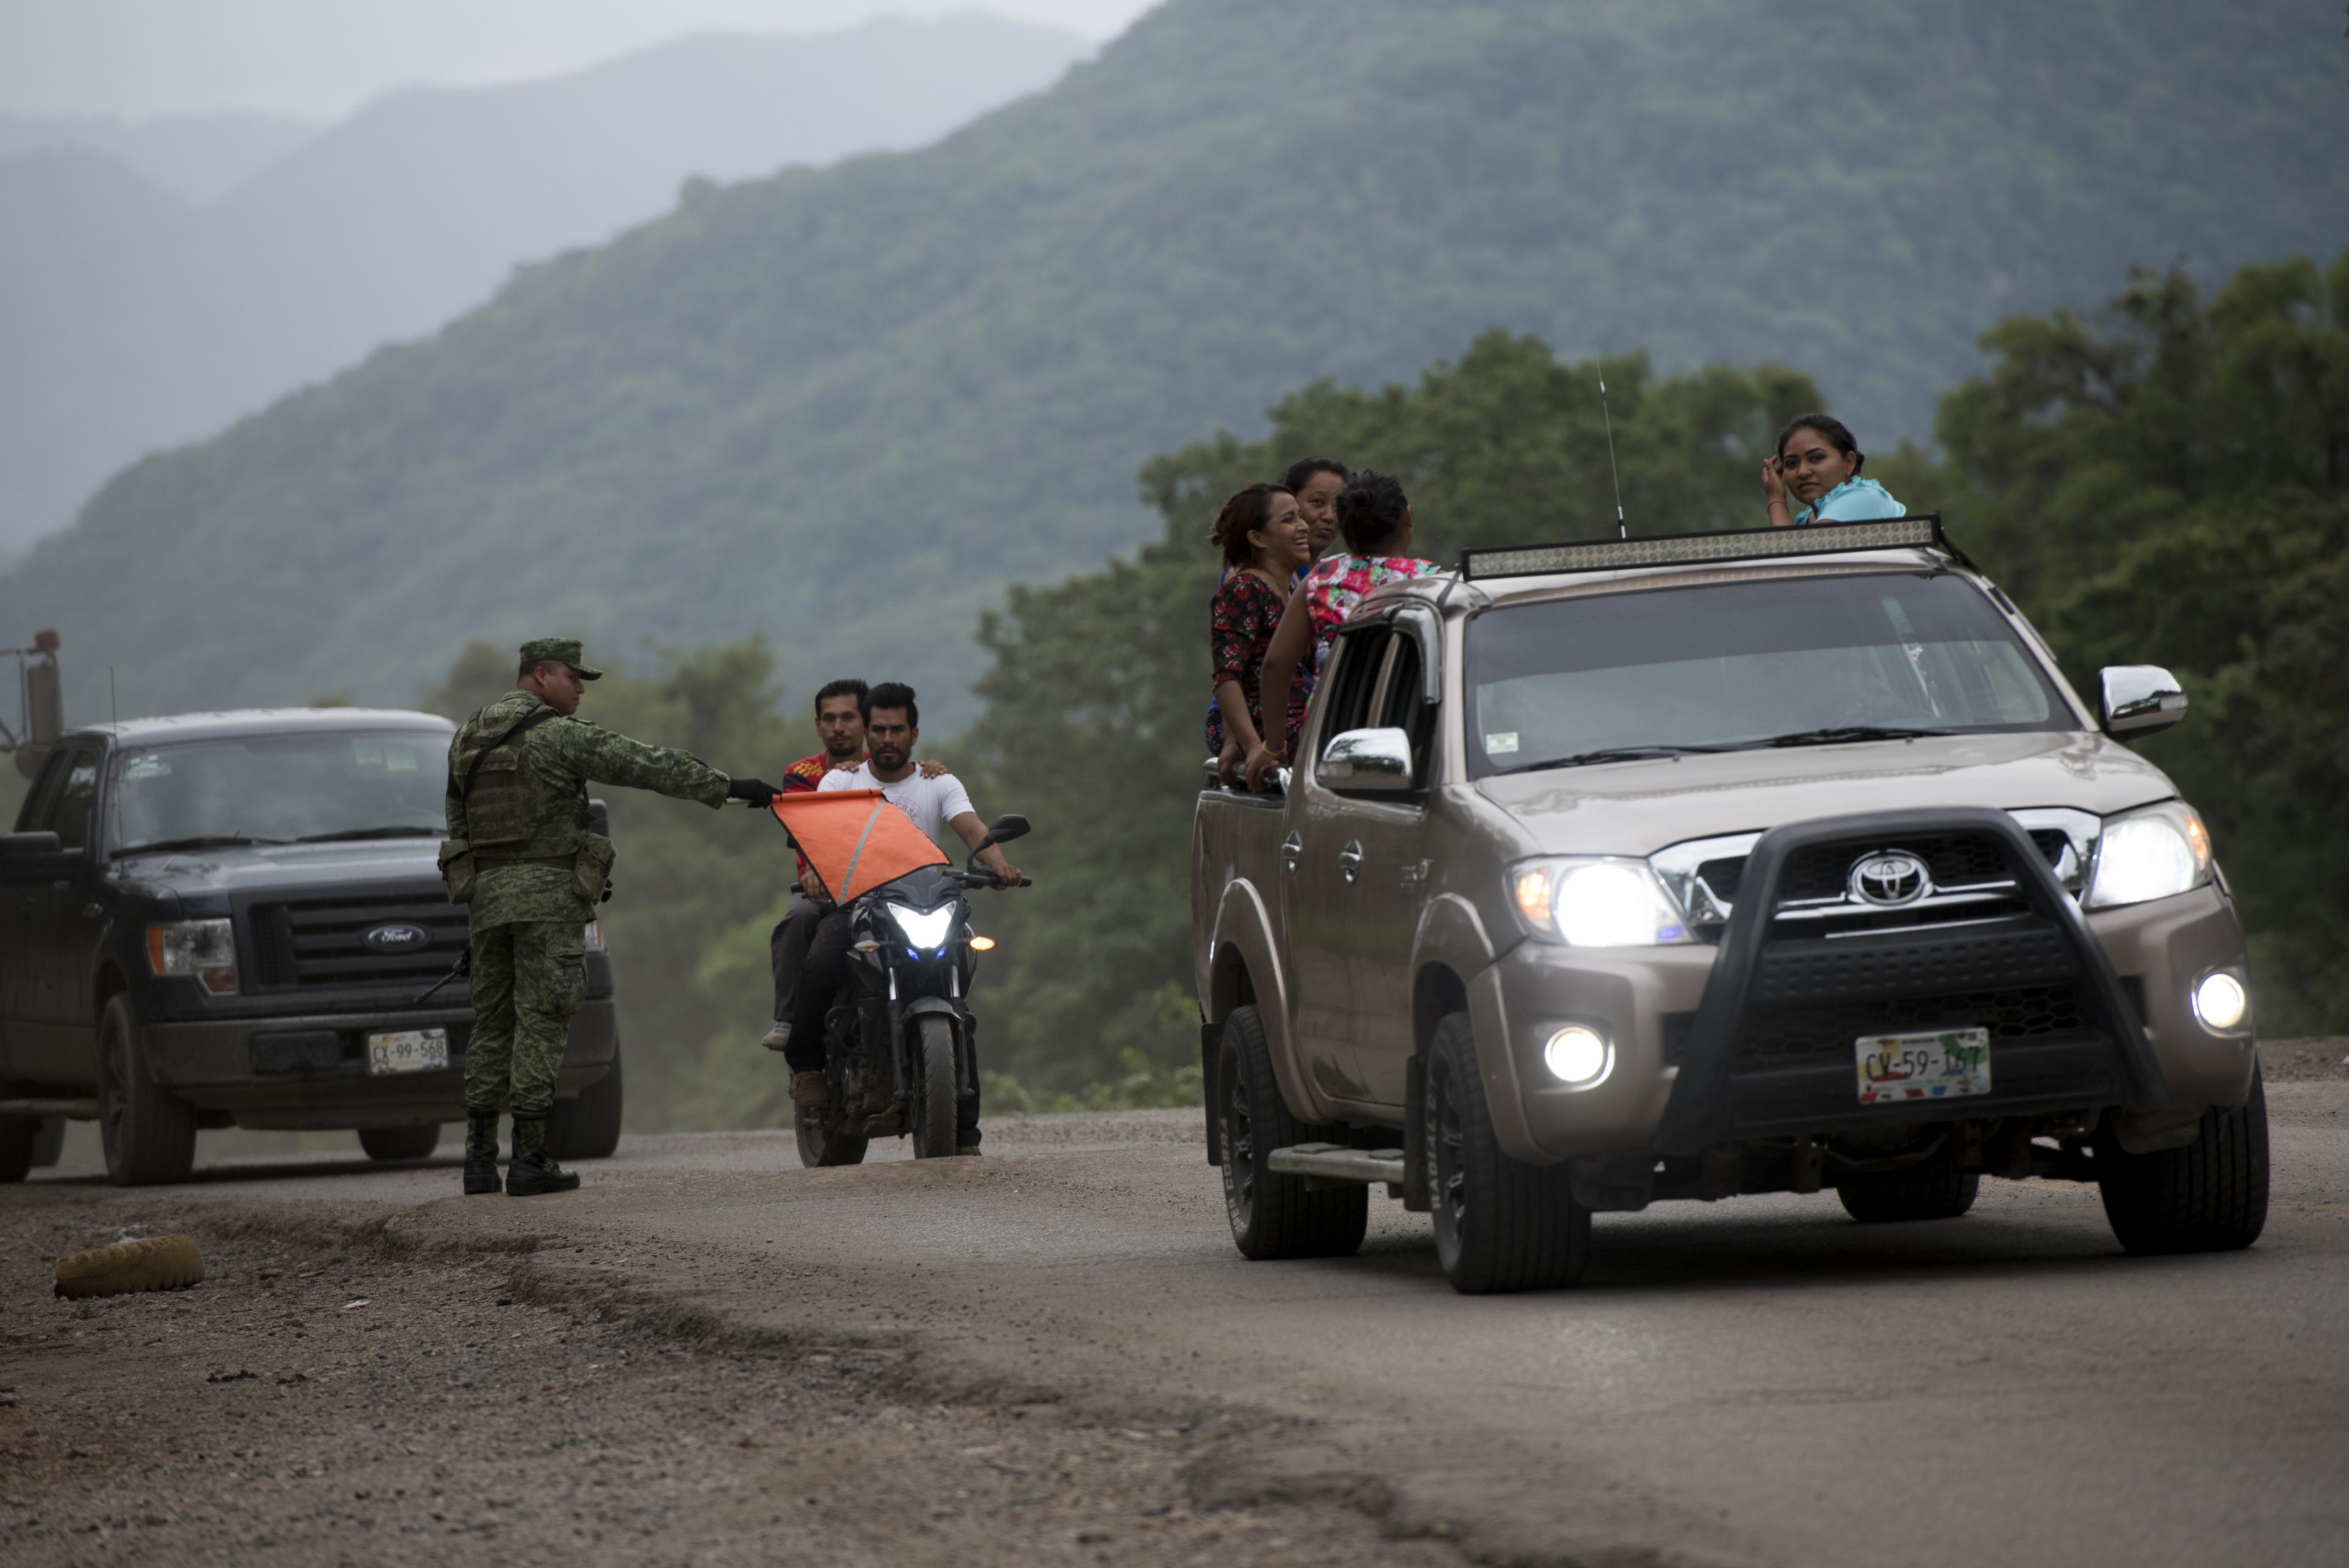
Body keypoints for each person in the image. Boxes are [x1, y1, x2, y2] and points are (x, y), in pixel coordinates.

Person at [444, 637, 777, 1197]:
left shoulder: (467, 735)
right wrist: (730, 789)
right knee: (542, 1023)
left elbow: (457, 821)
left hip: (488, 902)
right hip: (548, 900)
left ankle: (478, 1161)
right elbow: (646, 763)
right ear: (541, 675)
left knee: (492, 1026)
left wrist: (481, 896)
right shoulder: (558, 736)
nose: (580, 688)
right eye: (574, 677)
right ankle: (529, 1159)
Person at [789, 682, 1021, 1154]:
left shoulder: (939, 782)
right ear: (866, 733)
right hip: (860, 905)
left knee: (958, 1003)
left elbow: (973, 828)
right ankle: (809, 1066)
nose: (887, 737)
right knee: (820, 959)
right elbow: (819, 837)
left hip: (927, 902)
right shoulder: (841, 782)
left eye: (898, 729)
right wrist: (815, 871)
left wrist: (998, 864)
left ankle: (965, 1135)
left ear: (915, 733)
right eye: (878, 729)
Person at [761, 678, 948, 1054]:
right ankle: (790, 1019)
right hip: (825, 884)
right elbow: (806, 830)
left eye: (848, 717)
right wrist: (815, 871)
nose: (838, 727)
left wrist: (929, 770)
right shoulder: (805, 774)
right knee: (798, 918)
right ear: (817, 725)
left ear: (865, 724)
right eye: (828, 719)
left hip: (893, 889)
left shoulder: (882, 762)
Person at [1245, 470, 1441, 792]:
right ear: (1408, 516)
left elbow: (1275, 665)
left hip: (1329, 736)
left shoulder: (1322, 577)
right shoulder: (1431, 581)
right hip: (1408, 740)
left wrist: (1275, 748)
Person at [1206, 483, 1312, 785]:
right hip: (1270, 735)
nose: (1303, 527)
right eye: (1289, 519)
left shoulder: (1295, 591)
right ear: (1257, 538)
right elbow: (1227, 677)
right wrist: (1252, 747)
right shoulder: (1244, 591)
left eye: (1300, 516)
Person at [1762, 414, 1904, 527]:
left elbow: (1795, 557)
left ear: (1849, 463)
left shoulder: (1863, 498)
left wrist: (1776, 499)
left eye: (1816, 458)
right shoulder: (1810, 518)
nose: (1803, 472)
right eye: (1792, 463)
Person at [1282, 456, 1349, 560]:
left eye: (1338, 506)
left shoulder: (1333, 573)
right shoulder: (1264, 575)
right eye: (1318, 502)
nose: (1330, 517)